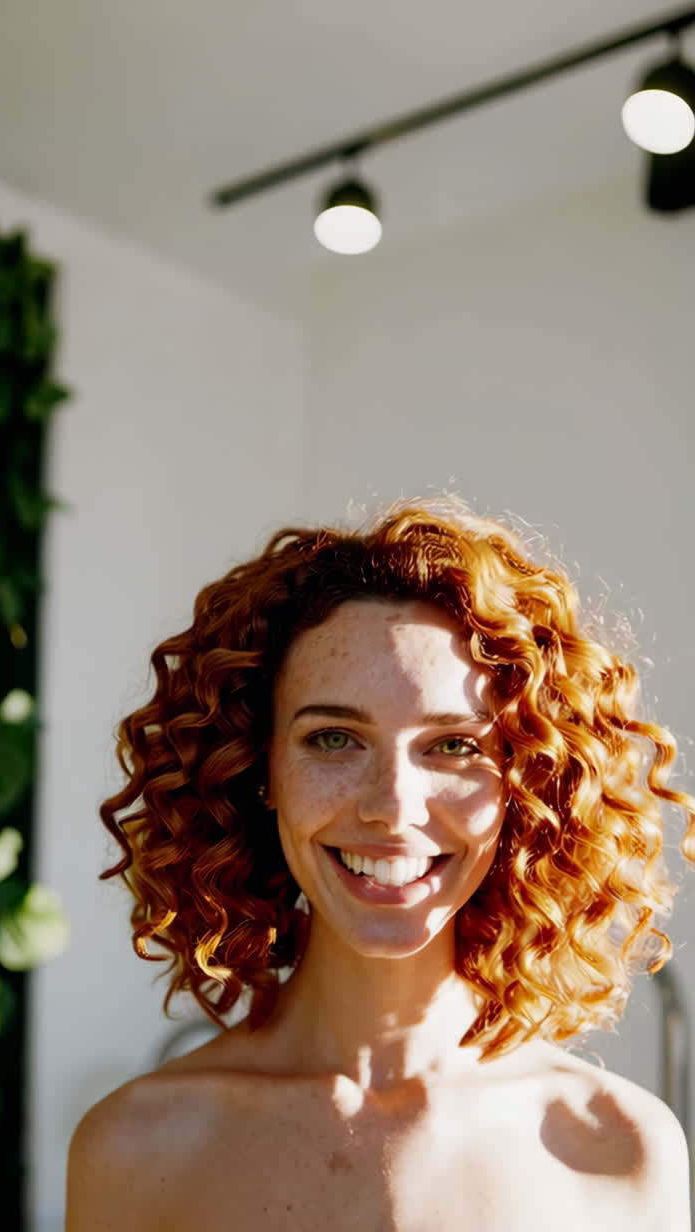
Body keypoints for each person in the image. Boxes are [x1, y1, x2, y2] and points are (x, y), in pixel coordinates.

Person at [65, 493, 695, 1230]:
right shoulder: (136, 1149)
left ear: (521, 781)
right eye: (334, 738)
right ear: (257, 766)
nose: (393, 807)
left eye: (453, 745)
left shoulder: (617, 1147)